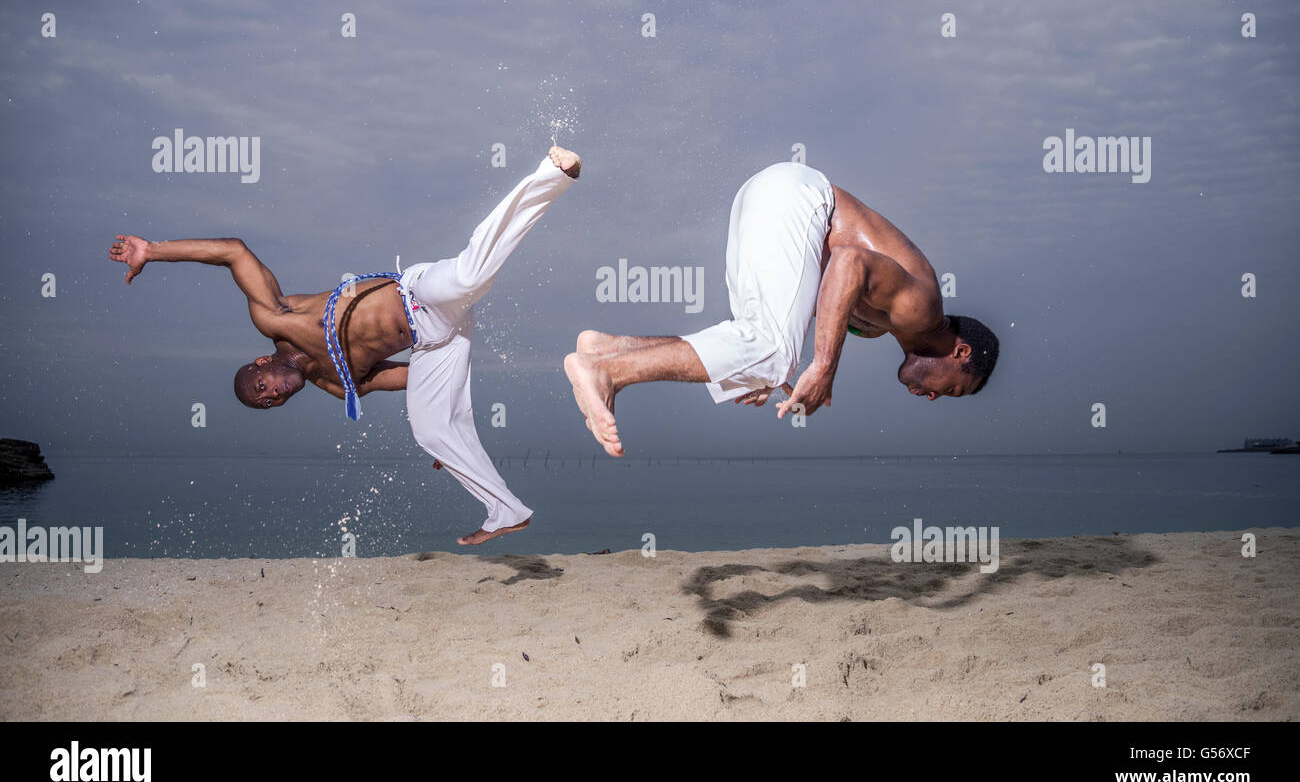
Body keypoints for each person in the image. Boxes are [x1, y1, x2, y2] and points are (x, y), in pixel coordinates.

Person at [109, 146, 582, 544]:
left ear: (260, 363)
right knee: (429, 430)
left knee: (469, 274)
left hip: (416, 293)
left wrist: (153, 250)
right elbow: (412, 377)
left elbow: (234, 250)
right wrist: (446, 422)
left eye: (261, 386)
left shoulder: (278, 317)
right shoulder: (338, 384)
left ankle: (551, 174)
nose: (272, 394)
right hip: (437, 340)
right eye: (268, 403)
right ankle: (506, 511)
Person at [565, 161, 998, 457]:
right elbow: (848, 261)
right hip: (798, 200)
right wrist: (823, 367)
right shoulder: (924, 309)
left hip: (767, 196)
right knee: (769, 350)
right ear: (960, 353)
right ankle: (609, 374)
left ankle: (606, 351)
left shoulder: (880, 328)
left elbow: (806, 295)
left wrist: (765, 371)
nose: (932, 397)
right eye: (951, 389)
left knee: (757, 349)